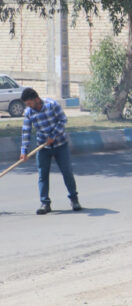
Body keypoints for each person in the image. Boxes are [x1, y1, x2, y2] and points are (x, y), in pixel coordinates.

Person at [19, 87, 81, 215]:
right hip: (43, 147)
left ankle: (74, 200)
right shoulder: (29, 112)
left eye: (30, 103)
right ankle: (45, 203)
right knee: (43, 175)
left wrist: (53, 135)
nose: (29, 106)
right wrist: (24, 150)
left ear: (36, 99)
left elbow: (63, 120)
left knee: (67, 172)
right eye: (27, 104)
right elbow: (26, 131)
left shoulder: (52, 105)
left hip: (60, 145)